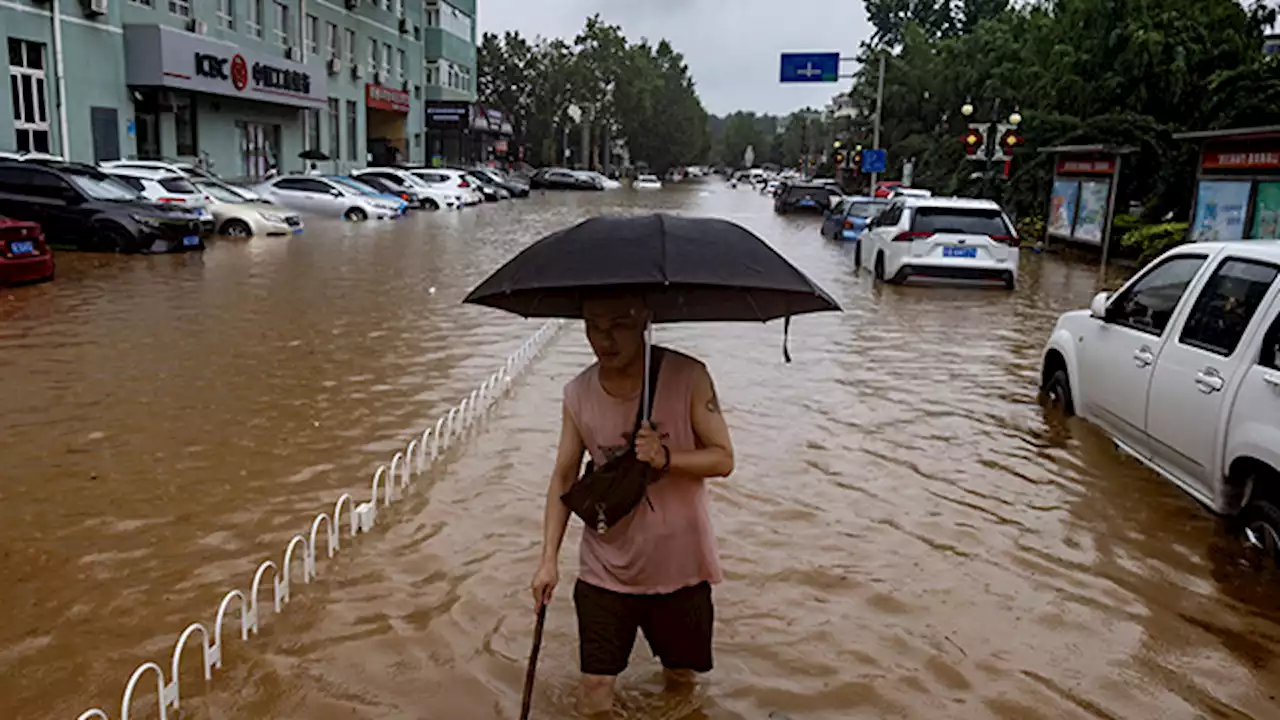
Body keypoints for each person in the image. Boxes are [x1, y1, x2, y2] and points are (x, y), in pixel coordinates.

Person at [531, 294, 735, 716]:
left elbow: (723, 458)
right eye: (593, 326)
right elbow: (564, 476)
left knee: (680, 682)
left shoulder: (688, 377)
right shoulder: (578, 394)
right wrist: (547, 559)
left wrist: (667, 458)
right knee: (594, 688)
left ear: (644, 319)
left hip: (681, 569)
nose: (604, 340)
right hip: (605, 568)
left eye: (618, 325)